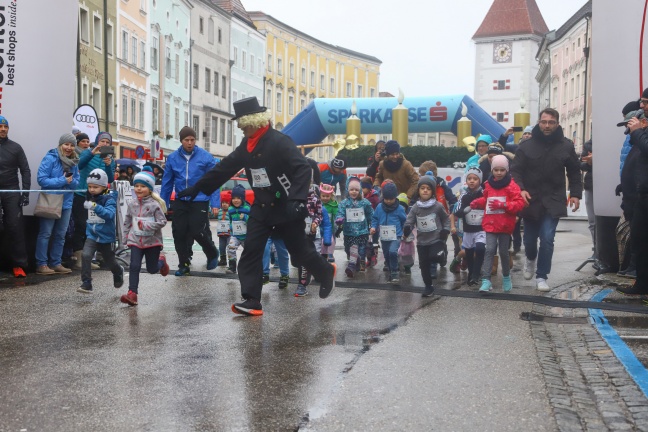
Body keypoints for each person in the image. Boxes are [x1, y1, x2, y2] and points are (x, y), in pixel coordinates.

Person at [177, 96, 336, 316]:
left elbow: (302, 169)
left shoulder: (280, 141)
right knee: (251, 251)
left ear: (256, 121)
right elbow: (225, 167)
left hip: (286, 206)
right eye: (240, 125)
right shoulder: (246, 145)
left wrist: (298, 201)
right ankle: (251, 300)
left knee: (300, 253)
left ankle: (325, 271)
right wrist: (197, 188)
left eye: (244, 124)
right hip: (261, 208)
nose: (241, 129)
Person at [511, 108, 582, 292]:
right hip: (530, 200)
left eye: (551, 122)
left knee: (548, 238)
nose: (547, 125)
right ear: (538, 122)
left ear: (557, 124)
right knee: (529, 241)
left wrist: (575, 194)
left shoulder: (566, 145)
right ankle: (530, 259)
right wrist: (521, 190)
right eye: (544, 122)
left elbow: (574, 171)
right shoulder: (526, 146)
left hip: (554, 199)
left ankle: (542, 276)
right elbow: (516, 171)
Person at [161, 126, 220, 276]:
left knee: (197, 230)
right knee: (179, 232)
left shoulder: (205, 157)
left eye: (192, 140)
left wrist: (215, 203)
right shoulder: (173, 158)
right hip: (181, 198)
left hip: (199, 198)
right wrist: (163, 203)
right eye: (186, 140)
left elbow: (213, 181)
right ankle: (184, 264)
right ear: (181, 141)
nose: (190, 143)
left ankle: (212, 252)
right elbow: (167, 183)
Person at [470, 155, 525, 292]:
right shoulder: (488, 185)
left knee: (503, 252)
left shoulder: (512, 186)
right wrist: (478, 203)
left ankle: (506, 276)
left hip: (505, 224)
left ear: (507, 170)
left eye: (502, 170)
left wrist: (504, 204)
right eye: (496, 170)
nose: (499, 173)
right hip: (490, 223)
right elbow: (487, 200)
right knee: (489, 250)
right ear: (492, 170)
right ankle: (486, 280)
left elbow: (519, 203)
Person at [120, 168, 169, 305]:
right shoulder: (132, 203)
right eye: (136, 186)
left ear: (149, 188)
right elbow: (127, 221)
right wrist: (125, 238)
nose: (139, 189)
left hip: (152, 242)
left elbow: (162, 221)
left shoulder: (155, 205)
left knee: (152, 269)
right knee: (134, 265)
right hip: (135, 240)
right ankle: (132, 294)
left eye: (142, 186)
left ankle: (161, 262)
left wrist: (147, 226)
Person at [35, 133, 80, 275]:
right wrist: (62, 181)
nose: (69, 147)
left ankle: (56, 263)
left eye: (72, 145)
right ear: (61, 144)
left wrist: (71, 181)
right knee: (46, 233)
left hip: (66, 202)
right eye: (66, 144)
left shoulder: (74, 161)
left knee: (61, 235)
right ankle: (41, 264)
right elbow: (42, 180)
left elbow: (76, 182)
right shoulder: (50, 158)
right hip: (51, 201)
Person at [72, 132, 115, 270]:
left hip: (99, 196)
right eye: (102, 141)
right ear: (97, 142)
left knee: (93, 224)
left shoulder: (110, 158)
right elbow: (79, 166)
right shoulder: (87, 152)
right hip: (82, 192)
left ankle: (89, 257)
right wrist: (92, 153)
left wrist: (108, 165)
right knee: (80, 224)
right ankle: (78, 257)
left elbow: (110, 179)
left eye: (107, 143)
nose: (105, 144)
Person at [77, 169, 124, 294]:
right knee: (86, 255)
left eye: (95, 187)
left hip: (105, 236)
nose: (92, 189)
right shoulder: (89, 195)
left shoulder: (109, 198)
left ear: (104, 186)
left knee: (109, 261)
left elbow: (109, 214)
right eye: (90, 186)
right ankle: (86, 282)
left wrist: (95, 207)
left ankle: (118, 271)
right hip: (91, 234)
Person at [403, 174, 450, 297]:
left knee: (434, 256)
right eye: (422, 188)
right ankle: (428, 287)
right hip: (422, 241)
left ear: (432, 192)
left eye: (428, 188)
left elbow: (446, 219)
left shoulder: (438, 206)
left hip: (436, 239)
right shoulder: (415, 208)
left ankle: (442, 255)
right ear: (418, 191)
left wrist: (445, 230)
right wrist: (407, 228)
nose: (425, 190)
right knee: (424, 265)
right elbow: (410, 220)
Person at [618, 110, 648, 295]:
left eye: (646, 103)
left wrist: (637, 132)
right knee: (639, 241)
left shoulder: (640, 134)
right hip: (642, 195)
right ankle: (642, 283)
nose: (643, 106)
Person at [0, 116, 31, 277]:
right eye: (0, 126)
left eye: (6, 127)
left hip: (11, 191)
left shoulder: (15, 147)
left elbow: (25, 170)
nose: (3, 129)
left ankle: (19, 265)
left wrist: (25, 193)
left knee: (15, 227)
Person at [335, 177, 374, 278]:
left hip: (362, 231)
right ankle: (356, 262)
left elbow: (370, 214)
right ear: (348, 190)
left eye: (356, 190)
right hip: (349, 231)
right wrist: (339, 219)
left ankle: (351, 266)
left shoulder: (365, 202)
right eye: (352, 189)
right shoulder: (344, 203)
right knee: (349, 249)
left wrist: (372, 225)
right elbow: (340, 213)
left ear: (360, 190)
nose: (354, 192)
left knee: (359, 249)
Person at [454, 167, 486, 286]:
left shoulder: (484, 194)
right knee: (469, 253)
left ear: (480, 180)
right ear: (466, 180)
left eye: (475, 178)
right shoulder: (464, 195)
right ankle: (471, 274)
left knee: (480, 249)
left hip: (481, 229)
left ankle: (476, 274)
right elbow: (457, 211)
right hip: (468, 230)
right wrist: (465, 210)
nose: (472, 181)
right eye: (469, 178)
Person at [370, 182, 406, 284]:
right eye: (387, 199)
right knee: (386, 254)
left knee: (392, 252)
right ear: (383, 197)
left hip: (396, 235)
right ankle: (391, 270)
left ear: (395, 197)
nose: (389, 201)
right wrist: (373, 227)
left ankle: (395, 272)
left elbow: (405, 221)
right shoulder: (379, 207)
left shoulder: (399, 209)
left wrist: (404, 231)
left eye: (391, 199)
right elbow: (375, 218)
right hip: (384, 236)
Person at [295, 183, 324, 297]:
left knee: (307, 258)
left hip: (311, 233)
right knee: (298, 260)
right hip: (297, 232)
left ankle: (302, 285)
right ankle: (315, 272)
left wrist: (315, 222)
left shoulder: (315, 199)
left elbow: (319, 214)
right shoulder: (294, 196)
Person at [226, 184, 251, 274]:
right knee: (230, 248)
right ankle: (232, 267)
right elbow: (230, 220)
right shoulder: (230, 209)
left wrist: (245, 217)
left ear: (242, 199)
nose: (236, 200)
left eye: (238, 198)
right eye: (234, 198)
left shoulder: (247, 208)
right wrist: (230, 228)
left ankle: (249, 267)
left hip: (246, 235)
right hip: (235, 235)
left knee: (249, 252)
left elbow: (253, 220)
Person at [580, 139, 596, 263]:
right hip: (591, 185)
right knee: (592, 222)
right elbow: (581, 164)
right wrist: (590, 163)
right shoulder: (588, 145)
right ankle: (596, 250)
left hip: (608, 185)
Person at [360, 176, 379, 267]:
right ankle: (369, 258)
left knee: (373, 242)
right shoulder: (361, 197)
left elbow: (376, 210)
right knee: (366, 242)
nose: (362, 190)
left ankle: (373, 257)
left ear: (368, 188)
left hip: (373, 224)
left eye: (363, 188)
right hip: (364, 223)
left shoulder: (374, 198)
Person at [320, 183, 338, 263]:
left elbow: (336, 214)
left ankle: (330, 253)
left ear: (331, 196)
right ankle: (323, 253)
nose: (325, 198)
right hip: (320, 225)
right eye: (323, 196)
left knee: (332, 240)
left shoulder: (333, 205)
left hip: (331, 226)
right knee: (321, 240)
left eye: (327, 196)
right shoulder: (318, 204)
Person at [215, 198, 231, 266]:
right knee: (221, 247)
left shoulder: (231, 211)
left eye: (226, 203)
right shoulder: (219, 211)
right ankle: (223, 260)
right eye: (223, 203)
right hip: (221, 233)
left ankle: (231, 261)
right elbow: (212, 214)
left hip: (229, 233)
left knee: (229, 247)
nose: (224, 204)